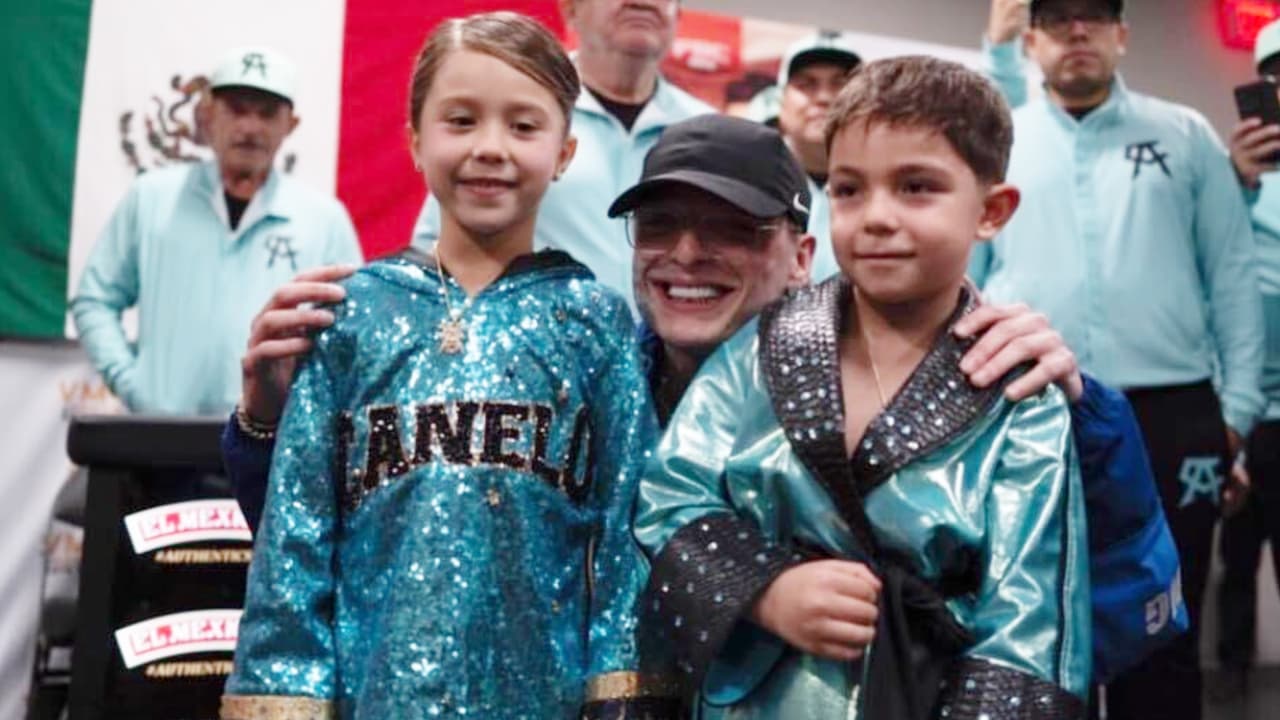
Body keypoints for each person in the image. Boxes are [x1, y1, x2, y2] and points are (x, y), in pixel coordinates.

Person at [219, 14, 664, 718]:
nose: (491, 148)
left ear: (565, 150)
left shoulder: (595, 324)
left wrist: (624, 693)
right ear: (415, 142)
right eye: (461, 121)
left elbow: (624, 541)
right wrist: (286, 691)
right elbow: (297, 535)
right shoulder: (351, 316)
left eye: (523, 127)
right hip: (377, 696)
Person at [633, 56, 1091, 719]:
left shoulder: (1017, 388)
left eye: (916, 187)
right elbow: (668, 495)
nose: (876, 216)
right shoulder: (761, 350)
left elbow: (1033, 620)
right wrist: (767, 590)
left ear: (992, 211)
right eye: (849, 189)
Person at [972, 1, 1264, 717]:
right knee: (1034, 617)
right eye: (1059, 17)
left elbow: (1230, 275)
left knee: (1166, 620)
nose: (1078, 31)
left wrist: (1236, 414)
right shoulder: (1000, 144)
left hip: (1174, 411)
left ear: (1122, 36)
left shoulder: (1184, 135)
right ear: (1031, 37)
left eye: (1094, 17)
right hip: (1030, 406)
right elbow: (968, 278)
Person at [71, 46, 362, 415]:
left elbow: (351, 331)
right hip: (158, 439)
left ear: (291, 125)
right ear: (207, 116)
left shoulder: (323, 220)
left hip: (268, 442)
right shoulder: (152, 199)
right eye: (236, 109)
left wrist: (299, 405)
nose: (250, 127)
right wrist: (132, 382)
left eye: (267, 113)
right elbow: (95, 299)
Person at [411, 0, 712, 311]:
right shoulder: (515, 103)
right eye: (524, 127)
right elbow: (437, 244)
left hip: (666, 354)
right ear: (570, 9)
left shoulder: (708, 132)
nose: (642, 2)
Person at [1212, 16, 1280, 702]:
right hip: (1241, 410)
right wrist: (1236, 178)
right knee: (1234, 563)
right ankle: (1230, 687)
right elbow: (1205, 275)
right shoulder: (1232, 175)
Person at [751, 31, 862, 282]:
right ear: (780, 101)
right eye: (806, 84)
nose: (824, 97)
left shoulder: (883, 192)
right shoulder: (747, 180)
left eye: (840, 84)